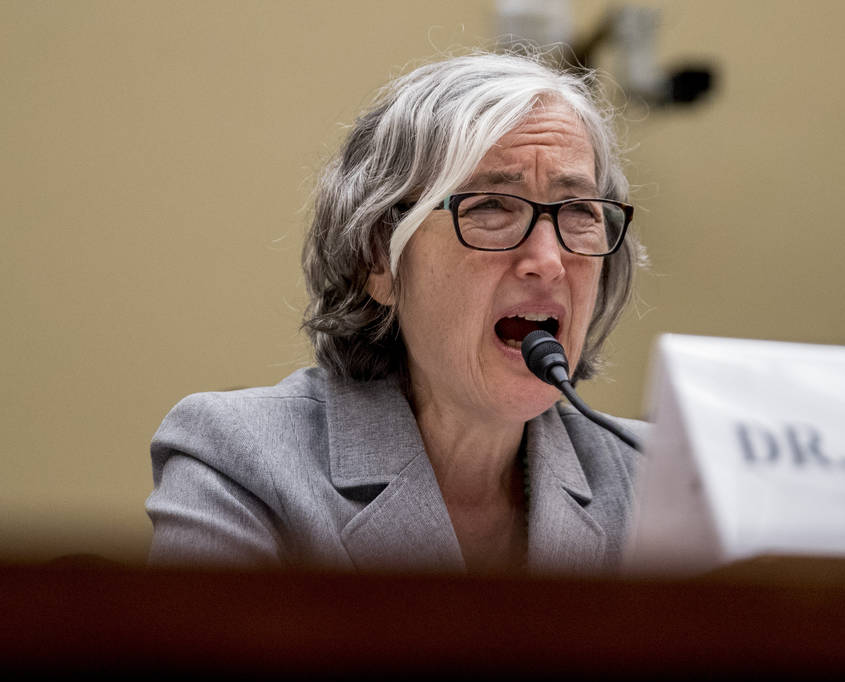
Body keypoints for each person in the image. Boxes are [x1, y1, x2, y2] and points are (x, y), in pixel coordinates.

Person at [146, 51, 646, 575]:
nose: (548, 262)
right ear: (379, 259)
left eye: (579, 211)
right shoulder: (240, 461)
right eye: (491, 207)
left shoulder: (656, 478)